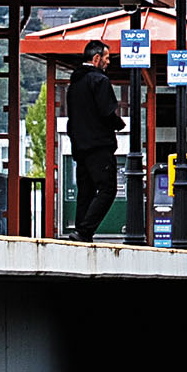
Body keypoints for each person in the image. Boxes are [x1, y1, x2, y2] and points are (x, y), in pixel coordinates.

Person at [66, 39, 124, 242]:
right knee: (108, 189)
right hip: (99, 145)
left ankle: (80, 232)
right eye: (106, 57)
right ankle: (85, 231)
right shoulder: (100, 81)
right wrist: (119, 124)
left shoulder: (75, 83)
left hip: (80, 147)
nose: (108, 62)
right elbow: (106, 112)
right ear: (96, 58)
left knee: (86, 191)